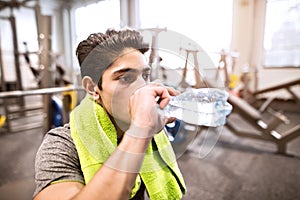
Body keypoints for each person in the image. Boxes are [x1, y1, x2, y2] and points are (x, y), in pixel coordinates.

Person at [33, 28, 186, 200]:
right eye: (126, 78)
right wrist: (140, 130)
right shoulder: (61, 145)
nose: (143, 88)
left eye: (145, 75)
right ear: (92, 88)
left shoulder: (154, 132)